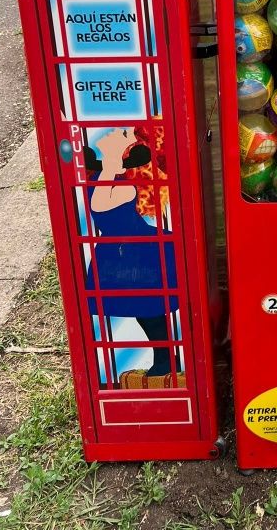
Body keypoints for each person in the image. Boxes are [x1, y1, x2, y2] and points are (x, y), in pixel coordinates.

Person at [85, 126, 181, 390]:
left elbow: (99, 204)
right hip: (119, 252)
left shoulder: (125, 185)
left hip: (139, 249)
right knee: (144, 309)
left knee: (150, 307)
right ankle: (166, 357)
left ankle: (166, 360)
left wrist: (111, 164)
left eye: (120, 134)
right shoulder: (101, 176)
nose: (111, 133)